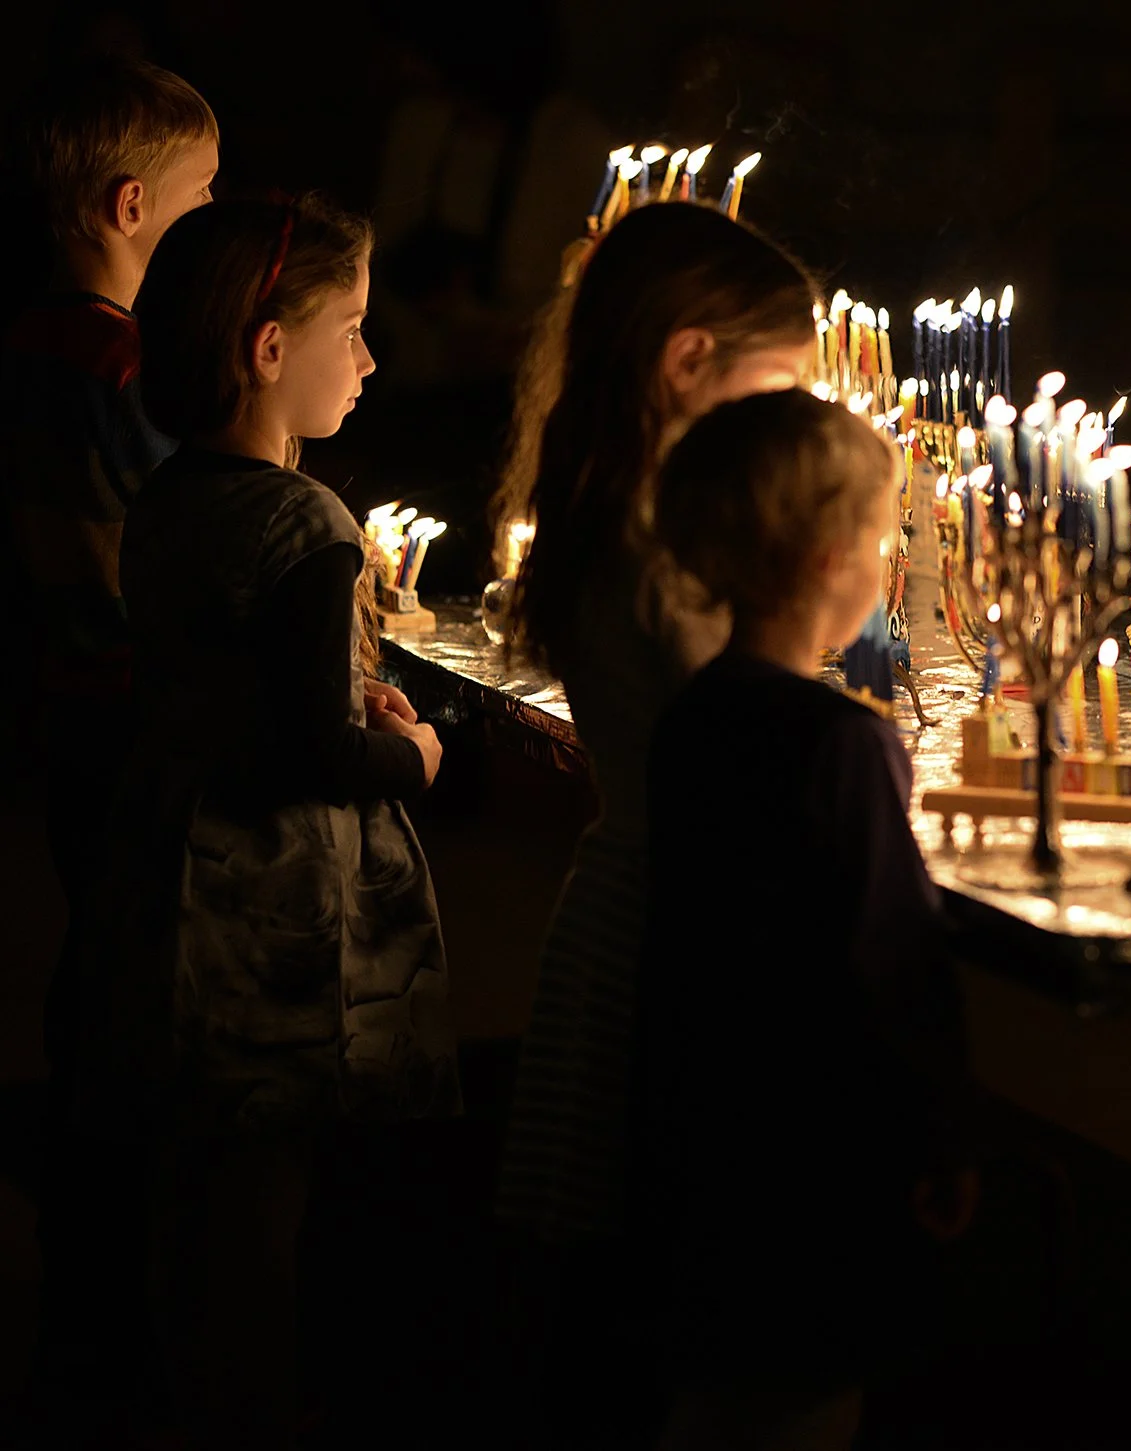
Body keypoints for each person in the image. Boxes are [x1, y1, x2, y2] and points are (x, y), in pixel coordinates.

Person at [96, 191, 456, 1449]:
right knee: (264, 1197)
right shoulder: (308, 523)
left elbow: (229, 688)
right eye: (350, 328)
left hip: (172, 871)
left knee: (194, 1191)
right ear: (266, 347)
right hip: (275, 915)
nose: (369, 357)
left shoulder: (174, 492)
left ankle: (179, 1387)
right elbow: (314, 750)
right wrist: (411, 748)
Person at [489, 201, 817, 1442]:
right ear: (689, 361)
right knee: (663, 1228)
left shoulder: (603, 502)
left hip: (626, 889)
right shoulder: (658, 543)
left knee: (624, 1239)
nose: (785, 423)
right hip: (677, 918)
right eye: (771, 389)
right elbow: (742, 722)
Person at [633, 387, 973, 1450]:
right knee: (801, 1398)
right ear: (835, 557)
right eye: (879, 537)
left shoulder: (692, 712)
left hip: (705, 1116)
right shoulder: (844, 744)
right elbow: (890, 962)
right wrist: (941, 1134)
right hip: (821, 1151)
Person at [0, 56, 217, 1443]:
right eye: (202, 208)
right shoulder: (130, 361)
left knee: (98, 938)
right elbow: (177, 526)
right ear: (137, 208)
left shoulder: (21, 341)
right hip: (128, 700)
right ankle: (118, 1273)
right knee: (141, 967)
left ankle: (82, 1212)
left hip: (49, 703)